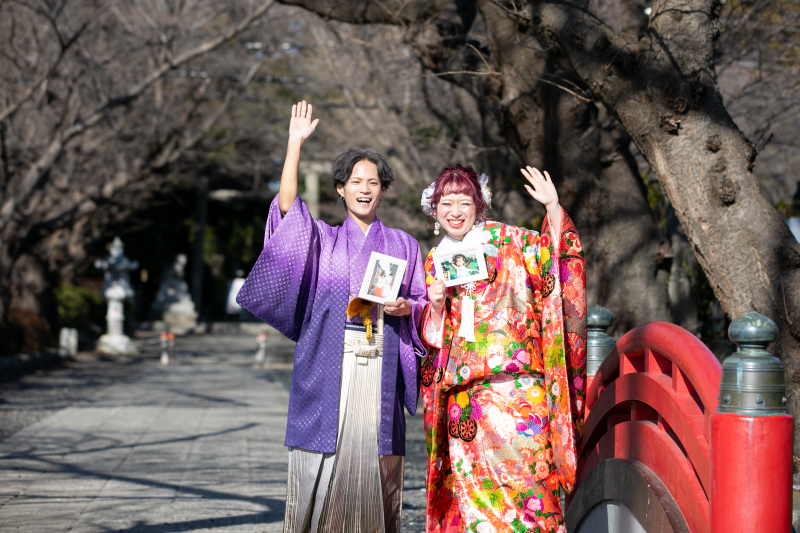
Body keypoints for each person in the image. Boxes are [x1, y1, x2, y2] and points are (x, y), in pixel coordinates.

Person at [236, 101, 428, 533]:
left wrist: (406, 308)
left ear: (383, 190)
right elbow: (287, 211)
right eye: (355, 181)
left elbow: (424, 304)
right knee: (322, 460)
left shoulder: (404, 245)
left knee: (371, 462)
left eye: (373, 182)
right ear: (340, 189)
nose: (364, 189)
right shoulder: (321, 237)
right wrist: (294, 144)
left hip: (380, 363)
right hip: (330, 359)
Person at [417, 164, 586, 532]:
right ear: (434, 210)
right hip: (466, 399)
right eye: (446, 203)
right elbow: (435, 340)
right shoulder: (435, 261)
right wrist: (437, 305)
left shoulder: (514, 241)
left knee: (529, 491)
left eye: (464, 201)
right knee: (474, 501)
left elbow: (557, 264)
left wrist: (553, 209)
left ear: (480, 205)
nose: (455, 211)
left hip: (519, 393)